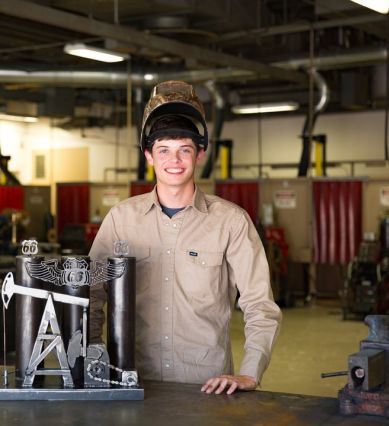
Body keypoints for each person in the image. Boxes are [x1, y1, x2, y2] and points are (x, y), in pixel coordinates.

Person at [89, 80, 281, 395]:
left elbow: (260, 304)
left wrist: (250, 372)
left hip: (207, 387)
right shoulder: (120, 220)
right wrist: (93, 359)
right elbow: (93, 296)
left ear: (200, 154)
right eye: (163, 150)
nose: (174, 161)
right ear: (149, 155)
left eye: (184, 150)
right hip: (132, 381)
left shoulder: (231, 222)